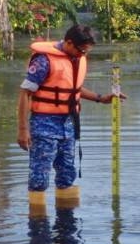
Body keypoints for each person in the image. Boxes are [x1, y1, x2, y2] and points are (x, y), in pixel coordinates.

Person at [17, 24, 125, 212]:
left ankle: (67, 227)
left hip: (68, 123)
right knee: (39, 177)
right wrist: (23, 129)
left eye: (86, 51)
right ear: (68, 43)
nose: (83, 54)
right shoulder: (44, 60)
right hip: (44, 123)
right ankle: (38, 225)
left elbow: (71, 89)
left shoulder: (77, 58)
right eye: (81, 50)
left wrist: (100, 98)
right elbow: (25, 93)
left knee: (67, 173)